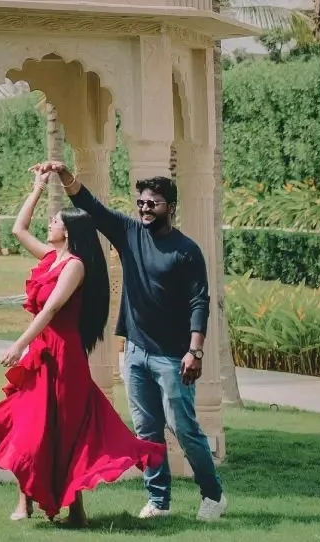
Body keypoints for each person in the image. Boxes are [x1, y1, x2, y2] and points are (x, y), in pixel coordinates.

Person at [36, 161, 228, 523]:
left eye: (152, 203)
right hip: (136, 352)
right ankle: (158, 500)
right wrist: (64, 175)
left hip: (174, 357)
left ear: (169, 207)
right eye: (140, 202)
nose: (143, 208)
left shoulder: (186, 250)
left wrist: (195, 350)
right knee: (147, 430)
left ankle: (213, 495)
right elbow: (93, 207)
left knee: (183, 427)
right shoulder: (128, 232)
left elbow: (199, 302)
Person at [0, 169, 165, 527]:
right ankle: (28, 501)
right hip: (43, 352)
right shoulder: (51, 258)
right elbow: (18, 230)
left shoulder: (74, 267)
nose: (49, 224)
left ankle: (74, 507)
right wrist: (37, 188)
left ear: (67, 230)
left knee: (62, 430)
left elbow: (52, 309)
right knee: (29, 425)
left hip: (62, 356)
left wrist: (19, 344)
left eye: (54, 221)